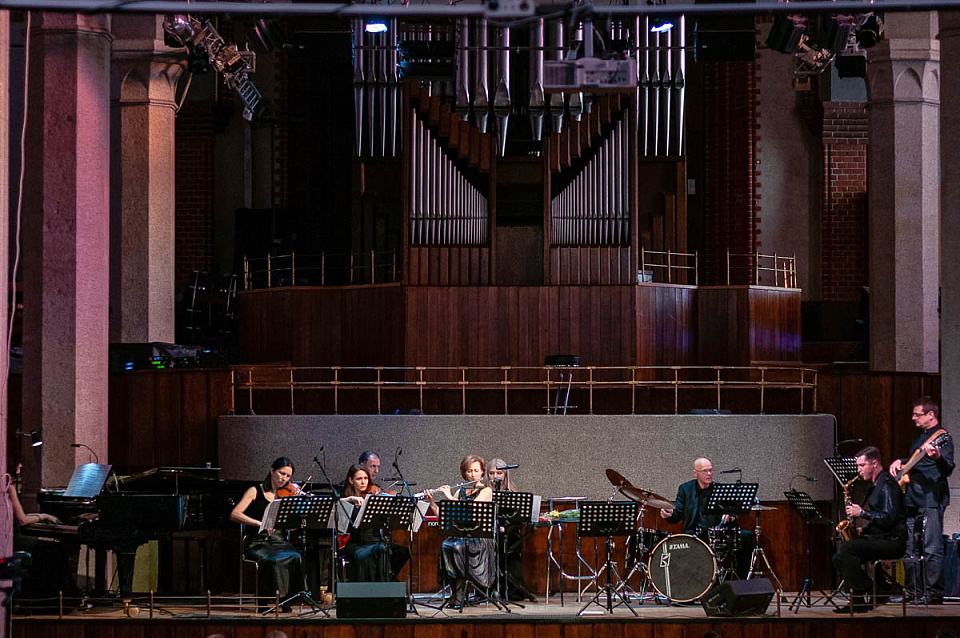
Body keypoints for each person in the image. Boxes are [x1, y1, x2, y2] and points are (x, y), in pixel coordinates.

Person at [887, 396, 954, 604]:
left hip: (931, 499)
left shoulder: (943, 438)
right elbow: (916, 462)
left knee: (932, 547)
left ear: (930, 415)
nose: (913, 418)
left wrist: (938, 458)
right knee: (909, 546)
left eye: (917, 415)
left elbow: (948, 468)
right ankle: (912, 591)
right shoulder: (919, 439)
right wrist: (901, 461)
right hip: (912, 499)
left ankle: (934, 593)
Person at [833, 446, 906, 613]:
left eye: (861, 465)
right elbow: (880, 518)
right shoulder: (876, 485)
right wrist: (863, 530)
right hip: (880, 538)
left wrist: (862, 513)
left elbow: (888, 519)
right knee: (839, 558)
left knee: (848, 549)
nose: (859, 470)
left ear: (874, 463)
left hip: (892, 542)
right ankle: (863, 596)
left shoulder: (888, 486)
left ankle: (870, 590)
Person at [230, 457, 304, 612]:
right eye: (281, 474)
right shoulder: (254, 491)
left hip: (279, 541)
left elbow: (290, 528)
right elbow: (235, 514)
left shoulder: (287, 495)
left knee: (295, 556)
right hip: (258, 542)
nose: (284, 479)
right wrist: (259, 523)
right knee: (273, 560)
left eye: (288, 476)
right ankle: (264, 599)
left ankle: (286, 599)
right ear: (272, 471)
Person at [424, 454, 496, 608]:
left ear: (482, 472)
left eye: (476, 470)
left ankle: (459, 594)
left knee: (456, 547)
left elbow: (472, 508)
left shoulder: (486, 491)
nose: (473, 474)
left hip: (478, 537)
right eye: (469, 471)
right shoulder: (461, 492)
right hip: (461, 536)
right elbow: (445, 517)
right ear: (464, 473)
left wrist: (449, 496)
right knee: (446, 545)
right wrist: (432, 503)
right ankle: (456, 593)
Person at [660, 457, 749, 578]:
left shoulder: (720, 489)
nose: (709, 474)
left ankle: (742, 580)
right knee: (686, 538)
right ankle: (692, 582)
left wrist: (731, 514)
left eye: (711, 470)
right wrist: (669, 515)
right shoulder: (685, 489)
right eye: (705, 471)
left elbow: (734, 512)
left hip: (717, 531)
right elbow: (677, 515)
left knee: (746, 536)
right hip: (695, 531)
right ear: (695, 473)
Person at [340, 464, 411, 581]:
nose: (363, 482)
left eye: (366, 478)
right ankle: (383, 583)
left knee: (402, 552)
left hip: (377, 542)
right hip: (357, 544)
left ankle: (388, 577)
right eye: (359, 479)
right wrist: (350, 499)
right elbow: (336, 502)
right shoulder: (347, 500)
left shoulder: (373, 497)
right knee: (381, 549)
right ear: (351, 480)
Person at [487, 458, 537, 603]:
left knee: (510, 545)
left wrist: (505, 527)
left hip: (509, 533)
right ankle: (489, 588)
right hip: (490, 532)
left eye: (499, 472)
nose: (495, 476)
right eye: (491, 473)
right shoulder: (484, 493)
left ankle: (514, 590)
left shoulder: (513, 494)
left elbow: (519, 520)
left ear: (505, 475)